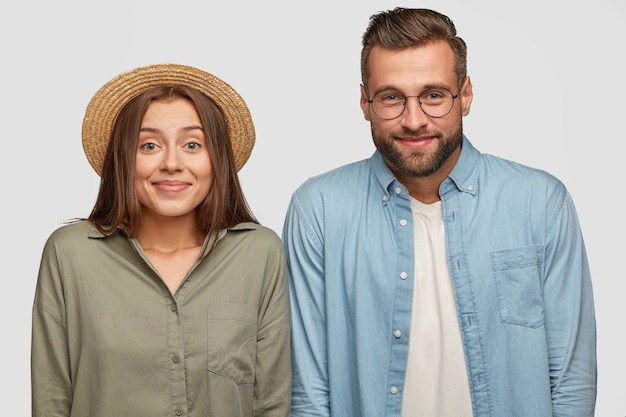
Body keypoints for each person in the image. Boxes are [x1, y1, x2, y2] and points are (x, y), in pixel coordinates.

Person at [282, 7, 596, 417]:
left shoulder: (541, 202)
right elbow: (308, 390)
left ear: (464, 95)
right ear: (364, 103)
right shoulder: (319, 209)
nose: (414, 121)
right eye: (391, 97)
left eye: (433, 95)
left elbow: (571, 380)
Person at [31, 63, 291, 416]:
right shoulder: (70, 254)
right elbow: (51, 399)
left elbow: (272, 402)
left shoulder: (260, 253)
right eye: (149, 145)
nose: (172, 163)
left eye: (192, 144)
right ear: (124, 159)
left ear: (217, 160)